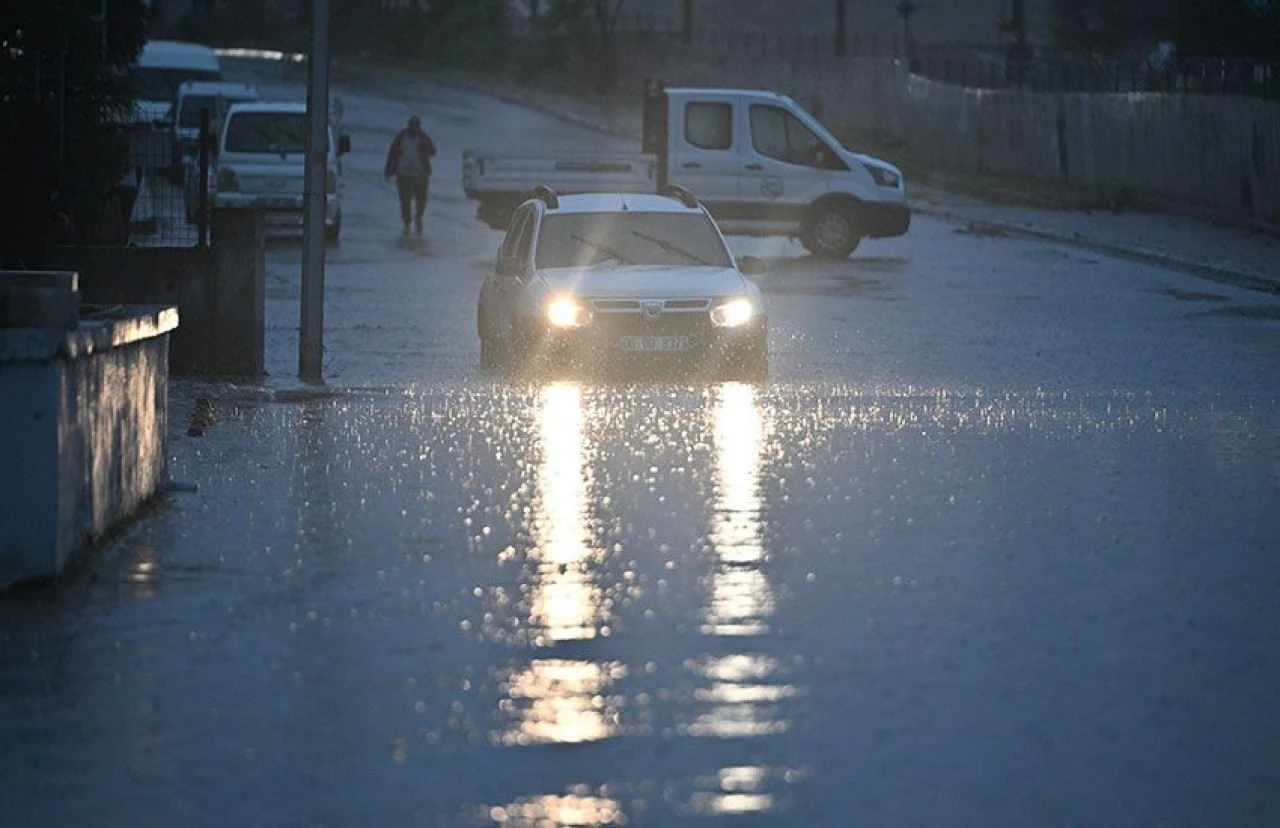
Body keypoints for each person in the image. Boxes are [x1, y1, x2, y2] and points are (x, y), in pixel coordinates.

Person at [383, 114, 437, 236]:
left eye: (416, 127)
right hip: (403, 174)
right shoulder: (400, 138)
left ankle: (418, 218)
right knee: (405, 201)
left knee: (421, 200)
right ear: (408, 126)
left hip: (420, 175)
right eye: (412, 126)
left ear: (419, 127)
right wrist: (388, 170)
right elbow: (392, 154)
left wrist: (425, 145)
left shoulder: (423, 138)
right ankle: (407, 223)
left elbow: (433, 151)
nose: (414, 129)